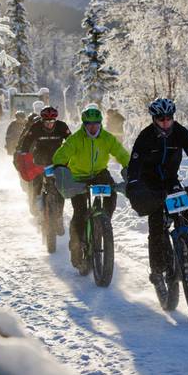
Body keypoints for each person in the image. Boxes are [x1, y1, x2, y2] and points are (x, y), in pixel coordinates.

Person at [126, 98, 188, 297]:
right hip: (150, 184)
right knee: (157, 228)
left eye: (169, 118)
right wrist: (134, 187)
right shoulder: (145, 137)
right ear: (154, 119)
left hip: (171, 180)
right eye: (161, 119)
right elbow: (134, 168)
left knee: (185, 214)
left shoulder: (180, 132)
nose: (165, 122)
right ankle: (158, 271)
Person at [52, 105, 130, 272]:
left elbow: (122, 154)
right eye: (89, 124)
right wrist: (61, 170)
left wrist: (130, 168)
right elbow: (60, 156)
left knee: (112, 194)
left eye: (96, 124)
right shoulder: (75, 139)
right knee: (79, 213)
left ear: (100, 124)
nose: (93, 127)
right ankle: (76, 247)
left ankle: (103, 223)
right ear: (84, 125)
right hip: (79, 176)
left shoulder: (107, 138)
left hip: (100, 173)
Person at [16, 106, 71, 232]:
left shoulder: (62, 126)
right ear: (42, 121)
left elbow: (71, 141)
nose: (49, 124)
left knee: (60, 188)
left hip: (57, 158)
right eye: (47, 122)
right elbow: (26, 142)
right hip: (40, 158)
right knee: (37, 182)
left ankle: (59, 218)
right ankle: (37, 208)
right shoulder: (35, 127)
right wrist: (23, 153)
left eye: (52, 122)